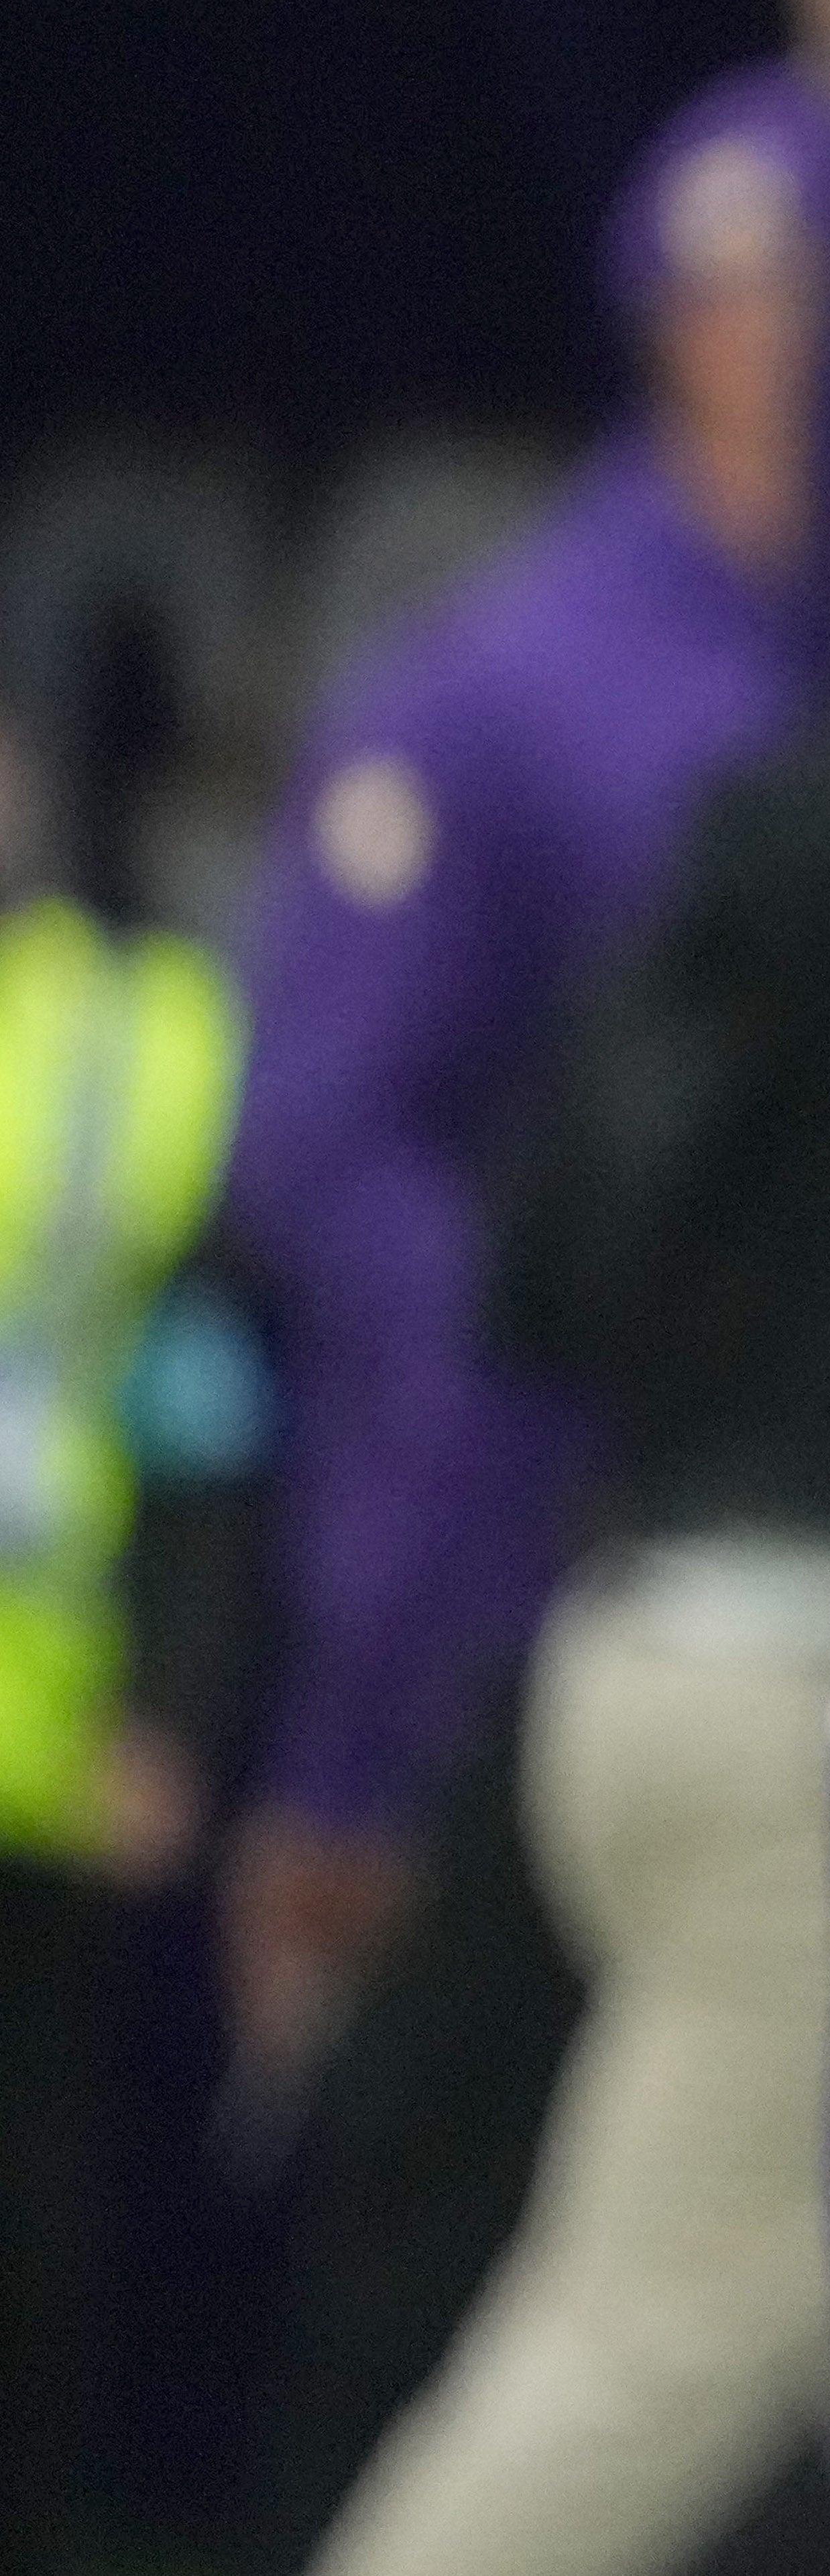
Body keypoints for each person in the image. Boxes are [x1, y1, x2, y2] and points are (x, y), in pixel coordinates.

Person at [221, 0, 830, 2546]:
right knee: (544, 2322)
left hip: (752, 1544)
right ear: (691, 313)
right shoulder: (524, 677)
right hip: (580, 1551)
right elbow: (345, 1158)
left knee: (787, 2321)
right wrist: (420, 1575)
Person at [303, 154, 830, 2576]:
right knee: (637, 2365)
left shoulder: (771, 802)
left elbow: (545, 1271)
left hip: (656, 1631)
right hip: (800, 1685)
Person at [0, 717, 258, 2576]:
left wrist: (175, 1706)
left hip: (54, 1746)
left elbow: (207, 1416)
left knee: (43, 2230)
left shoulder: (133, 1036)